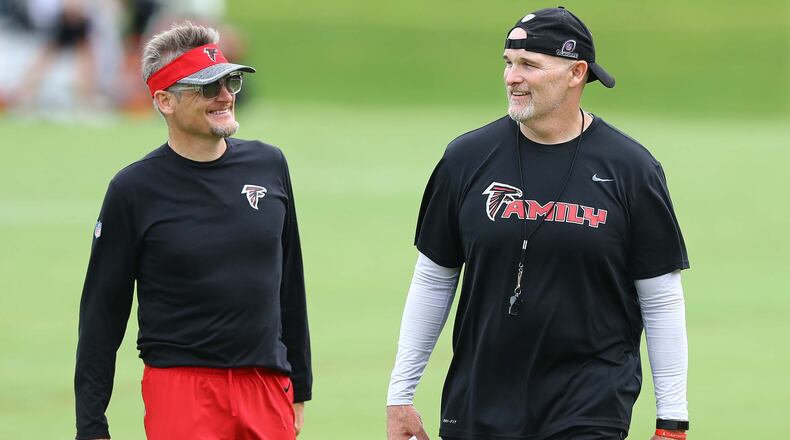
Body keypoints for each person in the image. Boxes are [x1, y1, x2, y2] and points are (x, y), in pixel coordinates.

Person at [387, 7, 689, 440]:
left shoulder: (631, 169)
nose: (512, 77)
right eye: (509, 63)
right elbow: (434, 279)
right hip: (479, 401)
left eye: (529, 64)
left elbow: (660, 298)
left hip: (588, 405)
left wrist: (672, 419)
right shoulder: (466, 158)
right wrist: (400, 394)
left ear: (576, 72)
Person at [74, 21, 312, 440]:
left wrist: (300, 386)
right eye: (206, 88)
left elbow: (289, 281)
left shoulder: (269, 164)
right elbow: (102, 315)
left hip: (267, 385)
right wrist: (91, 425)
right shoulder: (133, 190)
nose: (224, 96)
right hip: (182, 390)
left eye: (230, 81)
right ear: (165, 101)